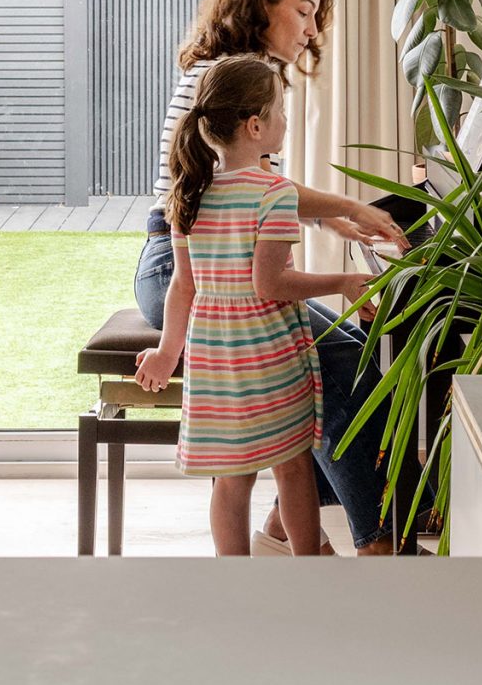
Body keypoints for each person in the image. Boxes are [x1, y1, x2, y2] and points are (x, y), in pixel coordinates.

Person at [134, 0, 407, 554]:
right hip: (182, 270)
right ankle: (374, 542)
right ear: (264, 5)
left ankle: (284, 530)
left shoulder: (236, 75)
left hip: (198, 262)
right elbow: (239, 198)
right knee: (342, 361)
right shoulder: (229, 79)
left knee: (352, 353)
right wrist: (352, 209)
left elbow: (249, 192)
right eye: (304, 11)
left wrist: (335, 222)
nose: (312, 30)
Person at [136, 58, 370, 555]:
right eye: (281, 110)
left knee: (232, 477)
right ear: (256, 126)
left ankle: (233, 579)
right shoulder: (274, 193)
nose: (286, 120)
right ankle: (308, 566)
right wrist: (344, 281)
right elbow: (272, 284)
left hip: (214, 358)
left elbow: (184, 285)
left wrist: (166, 352)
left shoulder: (190, 193)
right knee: (292, 467)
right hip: (266, 354)